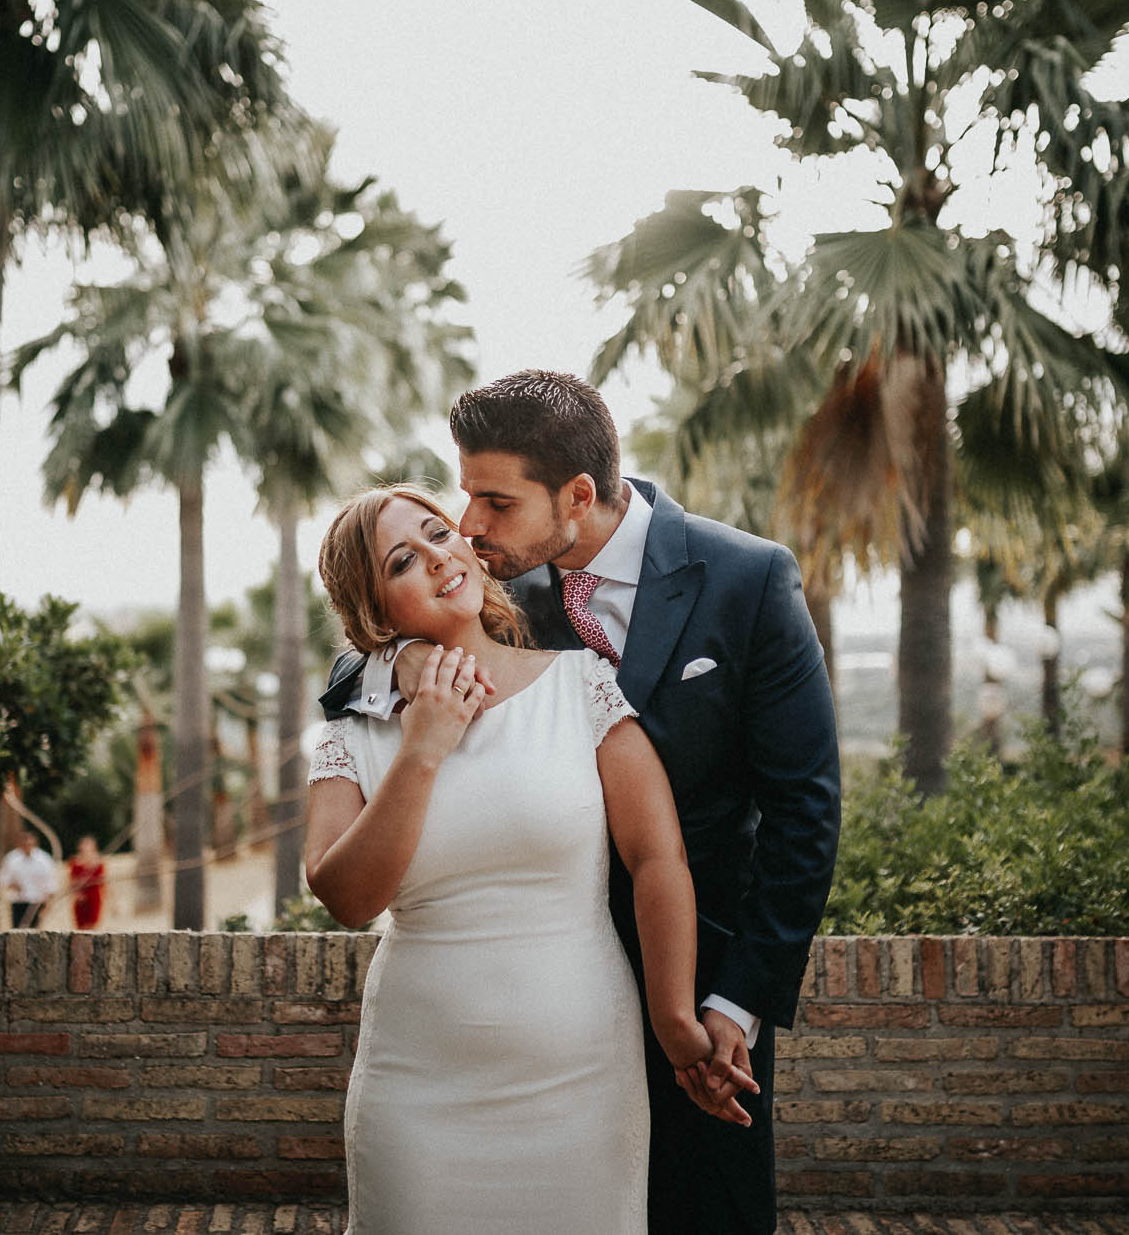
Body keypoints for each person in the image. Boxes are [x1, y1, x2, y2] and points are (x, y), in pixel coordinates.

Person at [320, 370, 841, 1235]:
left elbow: (804, 815)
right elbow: (363, 640)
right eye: (465, 500)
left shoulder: (747, 579)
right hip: (520, 992)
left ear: (578, 495)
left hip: (701, 982)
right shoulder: (508, 593)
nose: (472, 529)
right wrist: (400, 667)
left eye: (494, 501)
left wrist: (732, 1000)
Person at [305, 484, 741, 1235]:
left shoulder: (580, 685)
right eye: (403, 559)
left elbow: (658, 855)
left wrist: (673, 1018)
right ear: (374, 609)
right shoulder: (356, 734)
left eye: (440, 532)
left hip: (582, 1083)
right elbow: (346, 896)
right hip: (417, 1092)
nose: (439, 555)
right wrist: (424, 746)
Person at [0, 830, 60, 929]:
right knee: (17, 930)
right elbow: (3, 879)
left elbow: (50, 882)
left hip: (37, 902)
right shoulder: (11, 858)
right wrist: (12, 886)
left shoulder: (44, 859)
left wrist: (48, 901)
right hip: (19, 901)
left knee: (34, 931)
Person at [67, 835, 108, 931]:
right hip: (80, 898)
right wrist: (76, 894)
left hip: (94, 897)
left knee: (92, 926)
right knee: (81, 927)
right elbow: (72, 882)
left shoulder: (99, 863)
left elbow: (104, 883)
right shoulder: (75, 862)